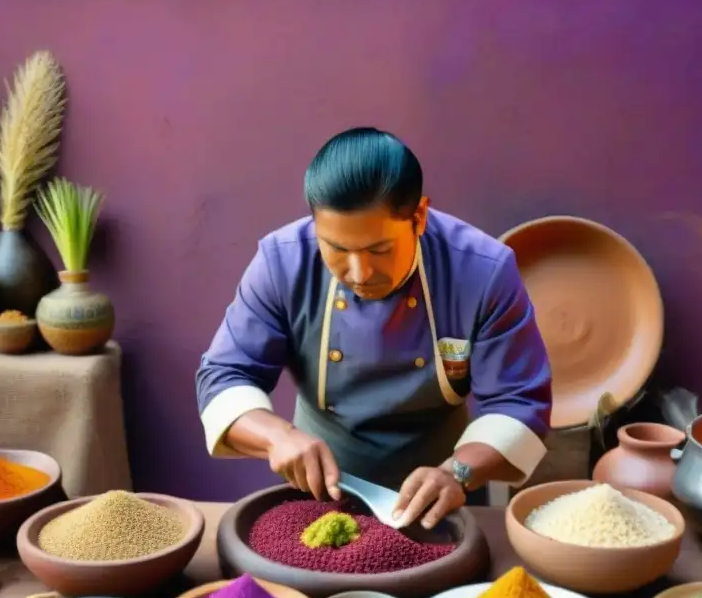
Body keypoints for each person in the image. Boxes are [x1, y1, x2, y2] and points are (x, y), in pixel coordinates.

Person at [196, 127, 551, 529]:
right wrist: (276, 436)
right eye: (336, 249)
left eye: (379, 250)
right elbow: (224, 374)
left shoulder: (483, 271)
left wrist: (458, 473)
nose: (359, 273)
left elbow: (518, 401)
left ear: (418, 216)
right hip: (317, 494)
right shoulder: (282, 262)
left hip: (445, 493)